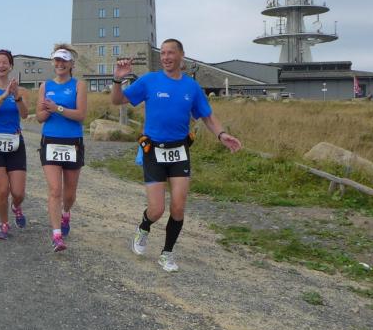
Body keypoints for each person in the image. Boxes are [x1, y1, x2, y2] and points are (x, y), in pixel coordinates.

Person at [112, 38, 242, 272]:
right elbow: (117, 100)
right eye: (162, 53)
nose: (166, 57)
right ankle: (143, 227)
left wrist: (222, 134)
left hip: (179, 152)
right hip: (153, 151)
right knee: (156, 210)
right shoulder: (150, 80)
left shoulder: (191, 87)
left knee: (179, 207)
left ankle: (167, 253)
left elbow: (207, 116)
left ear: (181, 55)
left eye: (170, 53)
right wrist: (117, 80)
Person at [36, 44, 87, 252]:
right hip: (50, 141)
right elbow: (39, 117)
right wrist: (47, 110)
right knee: (55, 189)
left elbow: (81, 115)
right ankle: (56, 235)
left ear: (71, 64)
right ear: (53, 62)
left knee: (69, 193)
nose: (60, 64)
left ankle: (66, 213)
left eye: (64, 61)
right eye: (57, 60)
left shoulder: (79, 85)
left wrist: (57, 108)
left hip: (72, 142)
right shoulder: (45, 86)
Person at [0, 50, 30, 239]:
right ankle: (4, 224)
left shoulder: (21, 90)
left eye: (5, 63)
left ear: (11, 66)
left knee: (18, 192)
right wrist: (4, 95)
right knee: (2, 189)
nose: (1, 66)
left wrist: (16, 96)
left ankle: (16, 206)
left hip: (15, 142)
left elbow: (25, 114)